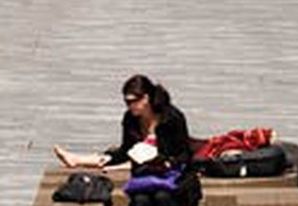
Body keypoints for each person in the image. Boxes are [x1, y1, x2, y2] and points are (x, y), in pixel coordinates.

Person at [53, 73, 194, 175]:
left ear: (146, 98)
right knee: (113, 156)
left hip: (164, 164)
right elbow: (126, 149)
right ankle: (76, 159)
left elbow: (183, 154)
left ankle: (78, 160)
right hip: (136, 160)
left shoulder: (171, 118)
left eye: (133, 101)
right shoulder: (130, 119)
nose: (129, 106)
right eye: (126, 102)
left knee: (130, 164)